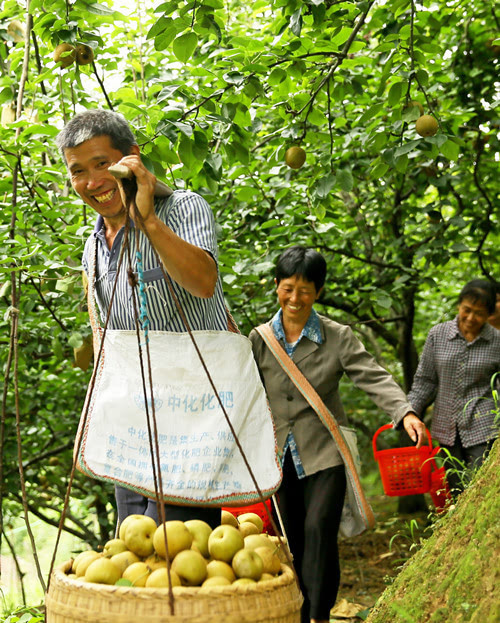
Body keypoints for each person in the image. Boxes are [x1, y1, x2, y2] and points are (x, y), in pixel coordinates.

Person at [56, 109, 229, 529]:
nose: (93, 182)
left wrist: (147, 220)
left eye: (102, 164)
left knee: (178, 545)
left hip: (194, 420)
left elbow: (203, 283)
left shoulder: (183, 208)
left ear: (131, 157)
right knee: (135, 547)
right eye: (78, 171)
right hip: (132, 426)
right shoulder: (92, 248)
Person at [248, 246, 425, 623]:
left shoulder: (337, 336)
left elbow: (372, 376)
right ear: (276, 286)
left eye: (306, 290)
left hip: (325, 452)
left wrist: (404, 411)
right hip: (278, 455)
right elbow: (242, 390)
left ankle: (317, 613)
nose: (296, 298)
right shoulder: (259, 340)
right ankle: (302, 610)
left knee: (319, 529)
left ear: (319, 291)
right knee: (294, 537)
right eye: (289, 288)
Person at [408, 279, 500, 498]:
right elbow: (425, 380)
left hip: (484, 427)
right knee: (458, 491)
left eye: (478, 313)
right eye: (466, 310)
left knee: (482, 489)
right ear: (459, 305)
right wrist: (409, 412)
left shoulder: (497, 341)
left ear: (488, 314)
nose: (470, 318)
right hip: (447, 429)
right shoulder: (438, 335)